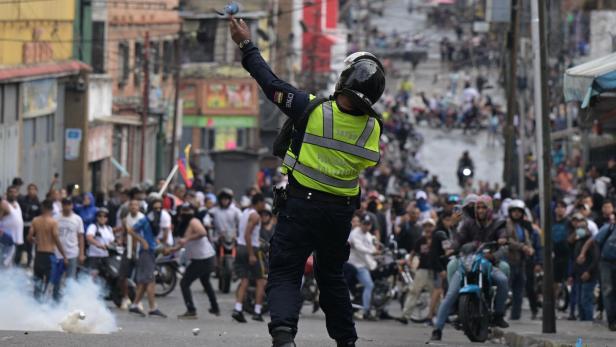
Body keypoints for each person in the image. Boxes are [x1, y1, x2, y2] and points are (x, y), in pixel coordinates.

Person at [229, 15, 385, 347]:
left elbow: (269, 82)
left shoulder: (312, 109)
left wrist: (245, 43)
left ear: (343, 79)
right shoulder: (373, 128)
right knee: (332, 279)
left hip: (301, 206)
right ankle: (346, 342)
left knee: (285, 272)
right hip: (340, 214)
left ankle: (284, 336)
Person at [431, 195, 509, 341]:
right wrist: (452, 248)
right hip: (467, 262)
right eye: (478, 207)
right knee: (450, 294)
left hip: (488, 264)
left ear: (490, 209)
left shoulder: (498, 223)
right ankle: (437, 329)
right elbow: (459, 238)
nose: (480, 210)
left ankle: (499, 315)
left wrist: (497, 249)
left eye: (483, 207)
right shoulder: (468, 224)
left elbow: (504, 241)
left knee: (502, 280)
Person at [175, 203, 220, 319]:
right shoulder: (185, 224)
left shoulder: (193, 221)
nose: (185, 213)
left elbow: (203, 232)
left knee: (184, 283)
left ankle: (191, 310)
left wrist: (187, 238)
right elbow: (183, 242)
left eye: (187, 210)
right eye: (183, 210)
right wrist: (170, 250)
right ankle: (215, 307)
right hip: (203, 257)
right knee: (205, 282)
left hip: (203, 258)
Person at [232, 193, 267, 323]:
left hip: (240, 248)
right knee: (261, 281)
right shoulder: (255, 216)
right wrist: (252, 254)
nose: (264, 206)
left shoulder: (245, 212)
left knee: (245, 280)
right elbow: (247, 234)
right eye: (263, 203)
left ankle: (238, 309)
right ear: (258, 203)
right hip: (251, 249)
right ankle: (257, 312)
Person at [400, 218, 442, 324]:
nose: (428, 228)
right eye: (426, 226)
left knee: (436, 294)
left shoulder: (438, 239)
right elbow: (413, 252)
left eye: (430, 226)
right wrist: (409, 260)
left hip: (434, 270)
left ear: (434, 227)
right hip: (422, 269)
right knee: (414, 291)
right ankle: (405, 316)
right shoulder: (421, 240)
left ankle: (438, 316)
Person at [126, 209, 167, 318]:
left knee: (144, 282)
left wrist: (159, 244)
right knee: (150, 281)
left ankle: (135, 305)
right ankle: (152, 308)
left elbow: (151, 237)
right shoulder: (144, 220)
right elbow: (130, 230)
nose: (158, 210)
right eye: (156, 207)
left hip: (150, 252)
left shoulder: (153, 221)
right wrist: (142, 241)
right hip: (145, 253)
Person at [27, 200, 68, 301]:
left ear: (42, 208)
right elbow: (56, 237)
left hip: (39, 255)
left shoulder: (35, 220)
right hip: (49, 256)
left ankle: (35, 306)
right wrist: (64, 255)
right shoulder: (53, 222)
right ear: (52, 209)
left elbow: (29, 237)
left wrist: (34, 240)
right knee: (49, 284)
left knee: (37, 283)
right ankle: (46, 309)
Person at [501, 200, 534, 321]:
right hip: (508, 262)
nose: (516, 214)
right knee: (504, 290)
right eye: (514, 211)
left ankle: (516, 316)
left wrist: (530, 248)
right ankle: (500, 314)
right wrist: (522, 247)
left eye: (519, 211)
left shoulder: (522, 227)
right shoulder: (506, 224)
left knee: (519, 292)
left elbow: (528, 240)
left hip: (521, 263)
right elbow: (506, 240)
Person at [347, 214, 378, 321]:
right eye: (365, 224)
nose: (366, 226)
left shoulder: (369, 236)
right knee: (369, 285)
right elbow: (360, 248)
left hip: (363, 265)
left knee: (371, 285)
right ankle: (365, 310)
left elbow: (373, 247)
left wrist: (377, 254)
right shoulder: (354, 233)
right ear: (361, 223)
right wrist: (373, 251)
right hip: (354, 265)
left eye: (368, 224)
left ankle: (369, 309)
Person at [569, 220, 599, 321]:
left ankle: (588, 323)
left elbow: (596, 259)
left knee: (586, 301)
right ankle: (582, 323)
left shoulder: (591, 243)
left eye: (582, 227)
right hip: (578, 276)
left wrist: (588, 272)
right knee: (579, 302)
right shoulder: (578, 242)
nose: (579, 230)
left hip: (588, 276)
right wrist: (572, 275)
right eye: (577, 228)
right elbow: (575, 260)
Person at [118, 199, 145, 310]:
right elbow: (124, 233)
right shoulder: (125, 220)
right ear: (129, 207)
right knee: (122, 276)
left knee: (140, 278)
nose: (133, 207)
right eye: (131, 205)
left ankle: (138, 301)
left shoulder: (143, 219)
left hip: (140, 250)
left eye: (136, 205)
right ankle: (126, 298)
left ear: (138, 207)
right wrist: (120, 239)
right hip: (128, 250)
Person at [53, 198, 85, 288]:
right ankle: (56, 300)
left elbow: (81, 236)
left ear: (72, 205)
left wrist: (81, 254)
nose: (67, 207)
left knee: (70, 280)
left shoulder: (78, 219)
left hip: (72, 253)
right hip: (58, 254)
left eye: (69, 204)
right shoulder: (55, 218)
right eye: (65, 204)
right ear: (62, 205)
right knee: (57, 281)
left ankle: (69, 300)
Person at [594, 214, 616, 331]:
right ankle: (612, 321)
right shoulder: (608, 228)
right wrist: (599, 261)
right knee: (608, 291)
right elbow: (596, 242)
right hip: (606, 263)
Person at [16, 183, 40, 267]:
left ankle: (28, 263)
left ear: (36, 191)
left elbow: (38, 217)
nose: (31, 191)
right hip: (21, 226)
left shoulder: (38, 203)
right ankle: (17, 262)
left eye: (33, 189)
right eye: (30, 189)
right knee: (20, 245)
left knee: (29, 246)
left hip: (31, 227)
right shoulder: (22, 200)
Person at [84, 207, 114, 275]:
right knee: (93, 276)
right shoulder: (93, 226)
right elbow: (89, 237)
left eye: (105, 216)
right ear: (97, 217)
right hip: (94, 256)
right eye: (100, 216)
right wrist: (99, 245)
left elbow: (111, 241)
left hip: (105, 256)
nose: (102, 218)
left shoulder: (109, 228)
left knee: (106, 276)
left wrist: (109, 245)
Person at [0, 186, 24, 267]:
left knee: (12, 265)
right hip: (6, 241)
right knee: (4, 265)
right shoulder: (4, 204)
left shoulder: (16, 203)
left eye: (15, 192)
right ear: (7, 193)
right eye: (11, 192)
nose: (13, 194)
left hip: (16, 240)